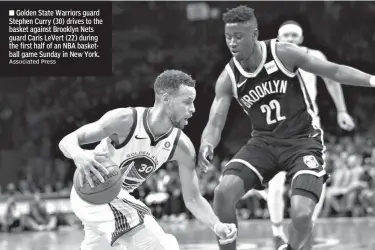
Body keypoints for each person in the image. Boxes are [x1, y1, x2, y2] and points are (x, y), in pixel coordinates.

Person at [197, 5, 375, 250]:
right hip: (264, 143)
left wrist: (372, 79)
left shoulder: (283, 53)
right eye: (228, 37)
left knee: (302, 214)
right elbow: (215, 122)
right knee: (223, 193)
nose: (232, 43)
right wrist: (207, 143)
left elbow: (333, 71)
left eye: (238, 36)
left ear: (254, 34)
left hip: (303, 140)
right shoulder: (228, 77)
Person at [59, 69, 237, 250]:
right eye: (187, 102)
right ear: (166, 99)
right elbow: (68, 140)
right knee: (162, 245)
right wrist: (78, 154)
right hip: (92, 191)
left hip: (112, 200)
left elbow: (192, 198)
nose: (193, 109)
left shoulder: (181, 146)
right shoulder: (125, 121)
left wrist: (217, 224)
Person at [266, 20, 355, 250]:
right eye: (286, 35)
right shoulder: (267, 59)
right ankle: (277, 233)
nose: (291, 39)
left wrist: (342, 110)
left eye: (295, 35)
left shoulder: (313, 56)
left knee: (316, 178)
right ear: (278, 37)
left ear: (302, 39)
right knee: (275, 183)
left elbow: (332, 79)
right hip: (276, 128)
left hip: (308, 127)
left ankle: (308, 229)